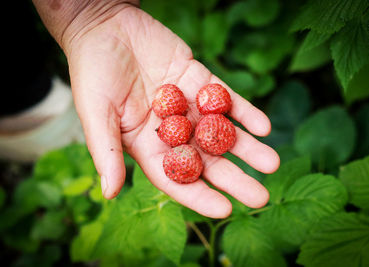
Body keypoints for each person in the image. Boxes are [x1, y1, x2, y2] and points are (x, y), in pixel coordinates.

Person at [31, 0, 280, 218]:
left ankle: (26, 100)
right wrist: (86, 16)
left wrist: (89, 12)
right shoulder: (181, 122)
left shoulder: (192, 124)